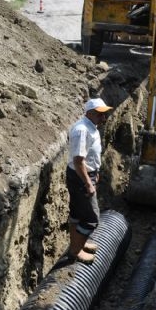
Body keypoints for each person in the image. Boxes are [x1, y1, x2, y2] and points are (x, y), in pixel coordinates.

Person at [66, 97, 113, 264]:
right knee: (91, 219)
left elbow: (89, 157)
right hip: (80, 178)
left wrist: (96, 172)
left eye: (105, 114)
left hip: (85, 175)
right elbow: (78, 161)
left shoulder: (91, 127)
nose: (104, 118)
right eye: (101, 115)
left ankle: (77, 245)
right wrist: (88, 183)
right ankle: (75, 251)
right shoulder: (82, 130)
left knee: (78, 213)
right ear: (91, 113)